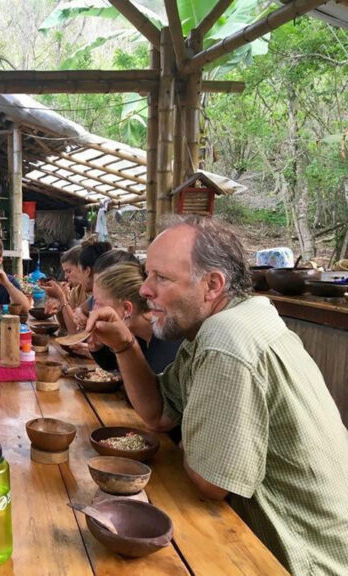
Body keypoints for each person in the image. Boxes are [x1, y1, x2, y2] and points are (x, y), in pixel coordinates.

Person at [84, 215, 348, 575]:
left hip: (301, 560)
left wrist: (193, 430)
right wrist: (125, 346)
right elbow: (159, 413)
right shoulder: (229, 321)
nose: (145, 290)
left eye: (161, 278)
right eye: (148, 274)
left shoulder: (227, 337)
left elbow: (212, 482)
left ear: (211, 285)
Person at [87, 261, 181, 374]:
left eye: (98, 303)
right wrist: (97, 347)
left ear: (126, 309)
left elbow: (143, 387)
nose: (93, 310)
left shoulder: (167, 347)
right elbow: (114, 366)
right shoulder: (141, 336)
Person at [41, 246, 88, 333]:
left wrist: (61, 297)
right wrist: (58, 300)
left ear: (83, 268)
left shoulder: (93, 293)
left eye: (69, 271)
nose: (65, 277)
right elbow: (65, 326)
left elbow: (74, 331)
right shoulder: (76, 290)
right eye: (65, 272)